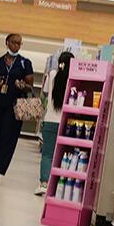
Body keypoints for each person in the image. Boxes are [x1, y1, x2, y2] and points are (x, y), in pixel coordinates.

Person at [0, 33, 34, 185]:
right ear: (7, 42)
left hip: (14, 107)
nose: (16, 46)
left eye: (19, 43)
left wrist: (23, 86)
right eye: (13, 42)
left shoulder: (25, 63)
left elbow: (30, 87)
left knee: (7, 139)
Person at [36, 51, 74, 195]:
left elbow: (45, 93)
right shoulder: (74, 77)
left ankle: (44, 183)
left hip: (50, 121)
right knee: (64, 154)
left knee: (47, 154)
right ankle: (59, 185)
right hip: (66, 123)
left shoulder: (51, 74)